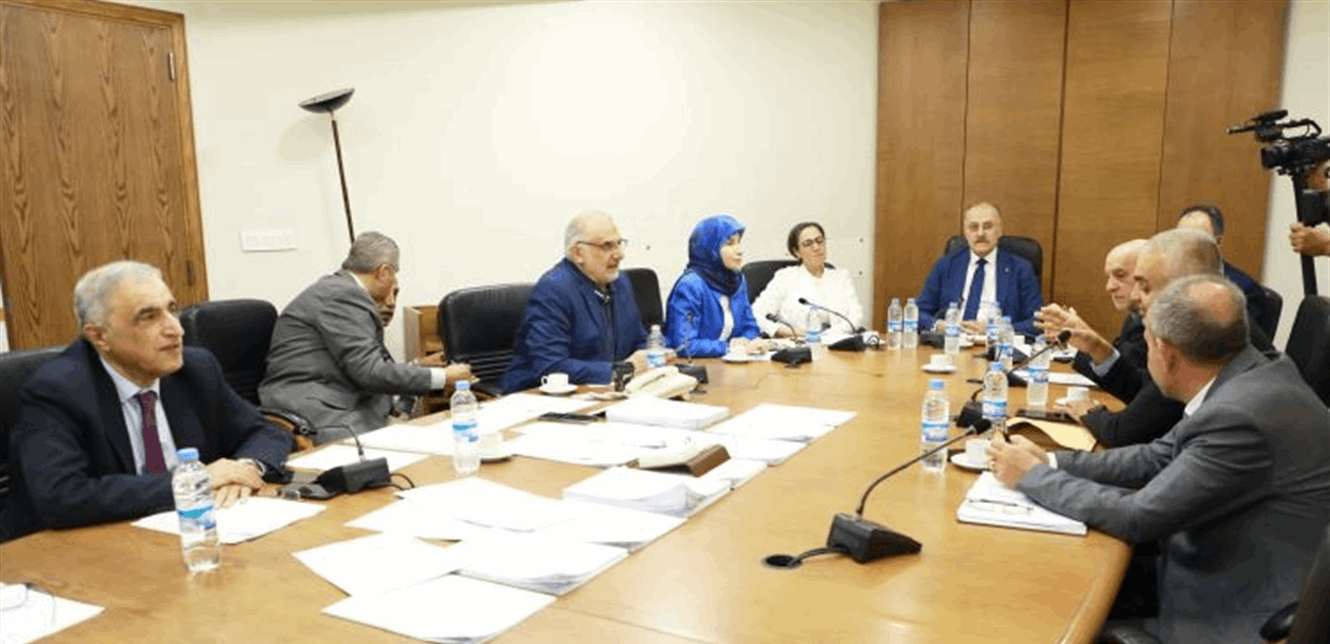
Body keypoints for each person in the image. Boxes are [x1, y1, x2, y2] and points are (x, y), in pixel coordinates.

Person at [989, 274, 1330, 644]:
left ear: (1166, 354)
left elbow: (1138, 516)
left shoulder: (1239, 415)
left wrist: (1033, 477)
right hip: (1209, 561)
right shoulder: (1254, 373)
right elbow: (1156, 456)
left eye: (1147, 345)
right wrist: (1052, 463)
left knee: (1039, 611)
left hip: (1234, 612)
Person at [8, 261, 292, 533]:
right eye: (148, 317)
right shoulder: (57, 390)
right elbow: (62, 496)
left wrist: (242, 470)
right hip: (76, 547)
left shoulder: (195, 369)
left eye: (172, 310)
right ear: (99, 336)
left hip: (187, 529)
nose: (176, 329)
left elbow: (264, 432)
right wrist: (195, 481)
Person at [1061, 230, 1274, 447]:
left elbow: (1126, 434)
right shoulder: (1210, 318)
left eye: (1145, 286)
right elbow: (1148, 395)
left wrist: (1090, 414)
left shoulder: (1203, 332)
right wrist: (1098, 349)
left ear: (1181, 285)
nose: (1135, 295)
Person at [260, 232, 471, 443]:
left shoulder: (337, 290)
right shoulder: (343, 296)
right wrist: (444, 376)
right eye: (395, 273)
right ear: (384, 272)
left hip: (337, 398)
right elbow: (370, 373)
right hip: (313, 411)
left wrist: (419, 366)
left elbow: (365, 363)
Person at [501, 211, 652, 393]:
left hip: (607, 391)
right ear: (578, 253)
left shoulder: (621, 283)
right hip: (541, 396)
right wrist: (620, 370)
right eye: (607, 246)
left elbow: (639, 340)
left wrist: (649, 357)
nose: (619, 254)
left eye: (619, 244)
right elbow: (551, 365)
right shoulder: (553, 290)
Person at [1036, 239, 1148, 403]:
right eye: (1109, 277)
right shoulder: (1135, 316)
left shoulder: (1156, 325)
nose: (1109, 286)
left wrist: (1086, 338)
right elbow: (1117, 369)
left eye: (1120, 275)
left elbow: (1132, 387)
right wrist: (1083, 341)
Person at [916, 202, 1042, 336]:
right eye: (973, 227)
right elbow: (918, 312)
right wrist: (938, 325)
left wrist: (996, 330)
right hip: (952, 341)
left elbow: (1037, 322)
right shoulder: (946, 265)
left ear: (999, 230)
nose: (980, 233)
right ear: (965, 232)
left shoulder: (1020, 269)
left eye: (987, 226)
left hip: (997, 344)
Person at [665, 213, 770, 357]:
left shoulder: (737, 280)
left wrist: (746, 340)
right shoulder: (691, 285)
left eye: (739, 242)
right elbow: (684, 345)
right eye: (730, 244)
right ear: (711, 249)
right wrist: (731, 348)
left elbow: (751, 327)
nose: (739, 251)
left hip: (732, 363)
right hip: (697, 365)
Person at [752, 221, 865, 338]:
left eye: (819, 241)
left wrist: (830, 334)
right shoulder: (785, 277)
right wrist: (784, 331)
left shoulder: (841, 277)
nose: (816, 247)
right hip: (798, 343)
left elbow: (856, 315)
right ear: (796, 252)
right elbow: (756, 314)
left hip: (837, 342)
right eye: (808, 243)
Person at [1174, 204, 1267, 328]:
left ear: (1217, 242)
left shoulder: (1245, 292)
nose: (1186, 246)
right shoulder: (1171, 279)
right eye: (1180, 238)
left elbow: (1234, 337)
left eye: (1196, 238)